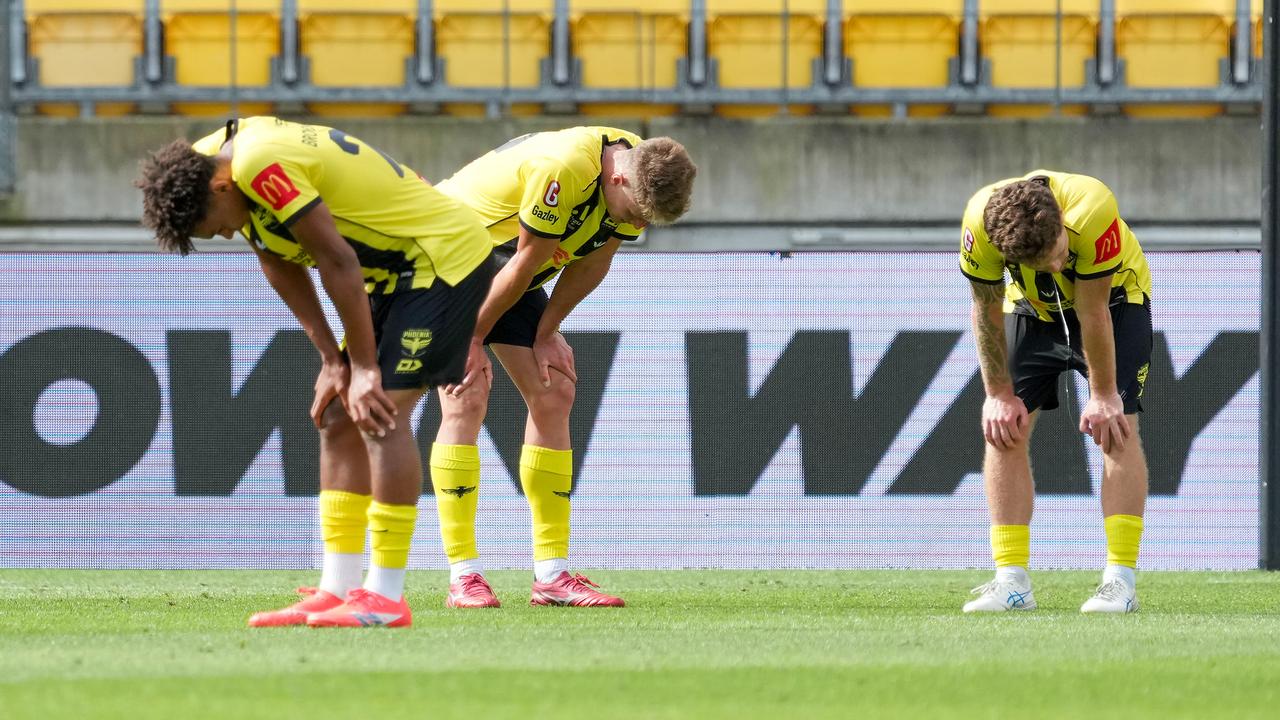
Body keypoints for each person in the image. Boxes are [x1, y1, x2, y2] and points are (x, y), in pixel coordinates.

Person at [137, 116, 494, 628]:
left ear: (221, 188)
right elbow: (278, 262)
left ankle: (386, 597)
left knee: (381, 412)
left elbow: (336, 259)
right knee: (336, 416)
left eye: (216, 226)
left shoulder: (259, 164)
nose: (226, 233)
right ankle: (337, 588)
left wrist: (364, 368)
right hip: (392, 273)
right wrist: (331, 360)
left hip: (442, 260)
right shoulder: (208, 163)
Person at [426, 127, 696, 608]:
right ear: (618, 180)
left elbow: (591, 263)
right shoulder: (565, 168)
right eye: (636, 214)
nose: (638, 223)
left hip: (506, 264)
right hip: (446, 254)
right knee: (465, 392)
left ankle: (551, 575)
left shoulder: (637, 163)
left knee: (554, 390)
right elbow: (525, 261)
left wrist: (546, 331)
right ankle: (462, 575)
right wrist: (470, 339)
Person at [958, 171, 1153, 614]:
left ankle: (1120, 582)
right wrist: (997, 394)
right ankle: (1012, 582)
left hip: (1115, 302)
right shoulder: (978, 225)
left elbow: (1093, 309)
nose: (1056, 266)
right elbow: (985, 307)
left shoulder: (1093, 206)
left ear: (1062, 220)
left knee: (1115, 428)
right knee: (1003, 429)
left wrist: (1104, 395)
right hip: (1031, 306)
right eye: (1041, 263)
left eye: (1060, 254)